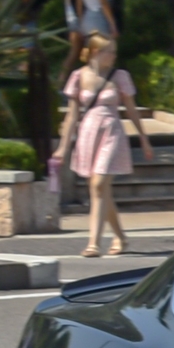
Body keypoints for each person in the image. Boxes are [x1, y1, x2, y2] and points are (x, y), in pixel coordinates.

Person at [55, 33, 151, 258]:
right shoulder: (78, 77)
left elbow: (131, 109)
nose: (114, 56)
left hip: (112, 132)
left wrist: (143, 138)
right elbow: (71, 116)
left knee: (98, 185)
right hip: (88, 133)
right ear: (96, 52)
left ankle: (93, 243)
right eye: (110, 52)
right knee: (101, 189)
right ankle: (121, 236)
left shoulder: (119, 76)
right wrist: (62, 147)